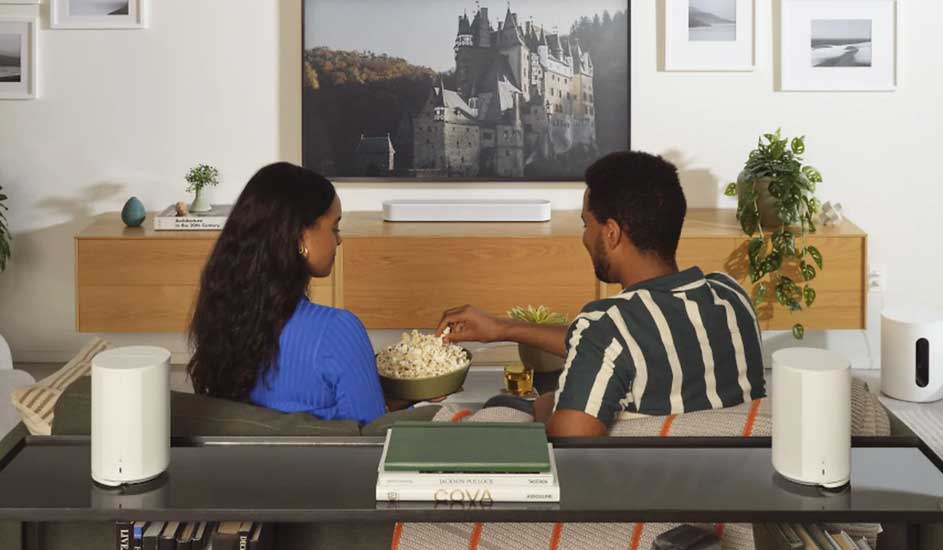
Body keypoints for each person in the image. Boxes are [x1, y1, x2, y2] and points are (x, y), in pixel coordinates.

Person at [437, 151, 766, 437]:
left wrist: (545, 404)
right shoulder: (731, 296)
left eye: (586, 224)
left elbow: (570, 437)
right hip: (725, 485)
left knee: (501, 403)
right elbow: (623, 343)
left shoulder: (608, 323)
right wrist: (502, 329)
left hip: (635, 491)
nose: (584, 238)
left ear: (610, 233)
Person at [187, 162, 392, 424]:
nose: (339, 240)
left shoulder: (220, 319)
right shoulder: (338, 330)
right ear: (300, 238)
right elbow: (371, 435)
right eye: (334, 227)